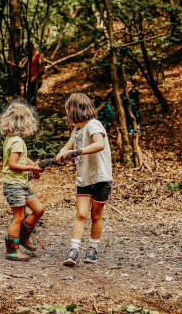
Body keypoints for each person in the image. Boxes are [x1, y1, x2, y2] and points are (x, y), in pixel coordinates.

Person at [56, 93, 112, 266]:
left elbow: (99, 144)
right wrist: (62, 153)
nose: (67, 115)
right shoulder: (77, 130)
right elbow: (68, 146)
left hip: (101, 178)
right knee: (81, 214)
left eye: (68, 111)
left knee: (96, 215)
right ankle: (74, 249)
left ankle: (92, 248)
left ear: (76, 111)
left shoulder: (94, 125)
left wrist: (77, 152)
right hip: (84, 179)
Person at [0, 101, 46, 261]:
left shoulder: (13, 139)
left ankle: (23, 237)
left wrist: (34, 165)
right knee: (18, 217)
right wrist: (30, 169)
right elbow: (13, 164)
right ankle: (11, 250)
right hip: (14, 186)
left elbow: (22, 158)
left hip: (22, 185)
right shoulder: (16, 141)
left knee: (39, 209)